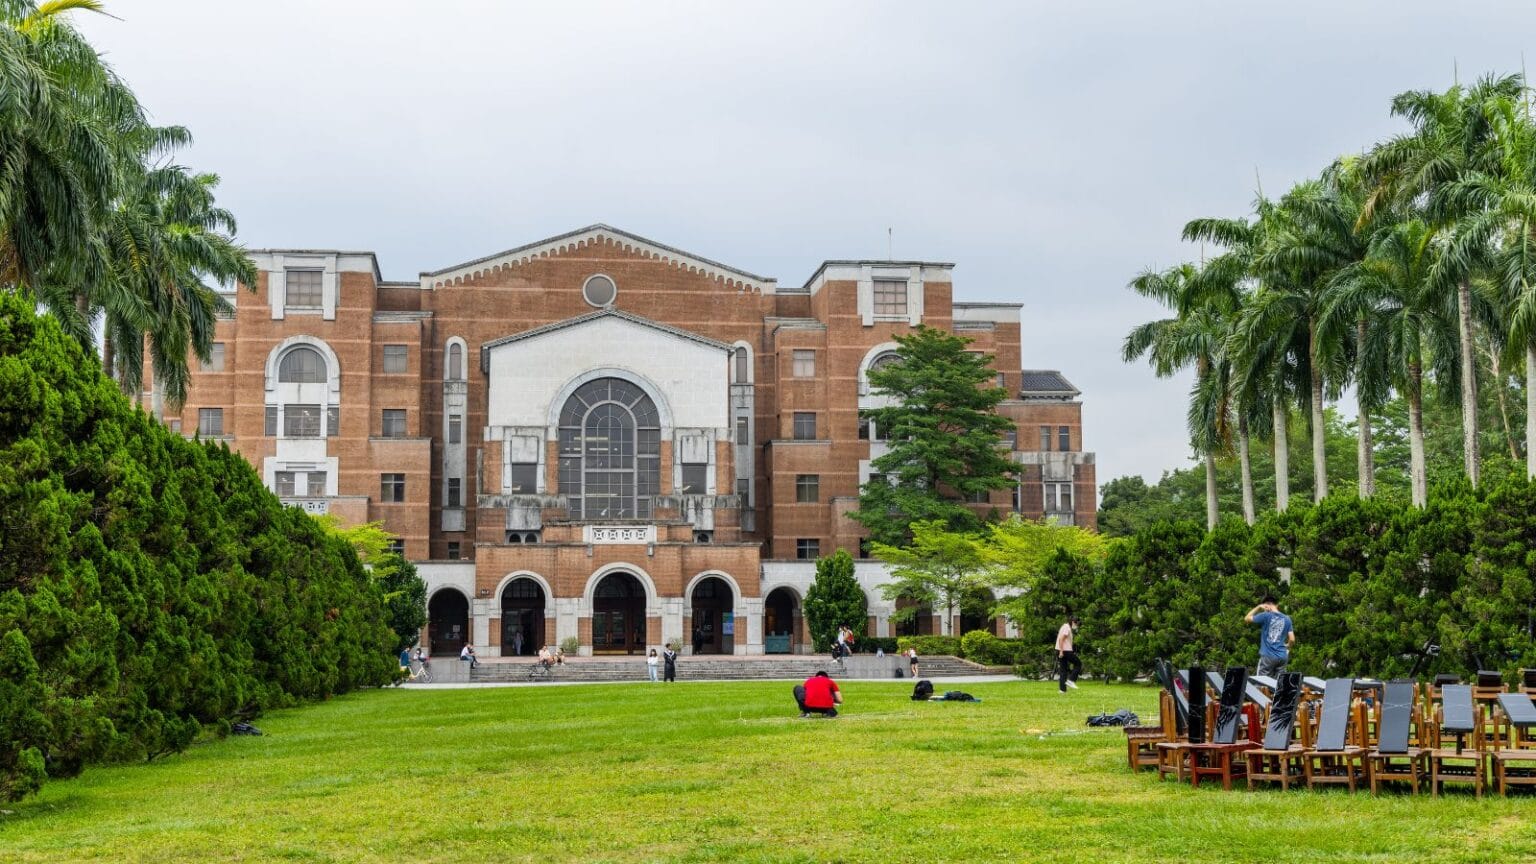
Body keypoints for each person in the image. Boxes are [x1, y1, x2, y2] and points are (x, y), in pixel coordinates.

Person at [1246, 595, 1295, 676]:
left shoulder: (1265, 615)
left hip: (1267, 657)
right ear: (1277, 605)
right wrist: (1287, 647)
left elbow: (1247, 618)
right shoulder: (1287, 618)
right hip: (1282, 657)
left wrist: (1258, 607)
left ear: (1266, 605)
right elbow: (1292, 639)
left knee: (1262, 684)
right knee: (1278, 685)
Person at [1056, 615, 1081, 693]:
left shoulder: (1065, 626)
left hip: (1060, 649)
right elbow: (1061, 639)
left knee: (1063, 670)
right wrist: (1061, 651)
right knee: (1078, 664)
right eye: (1077, 624)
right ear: (1073, 622)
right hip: (1065, 650)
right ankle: (1071, 680)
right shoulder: (1067, 627)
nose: (1077, 626)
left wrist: (1060, 651)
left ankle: (1062, 690)